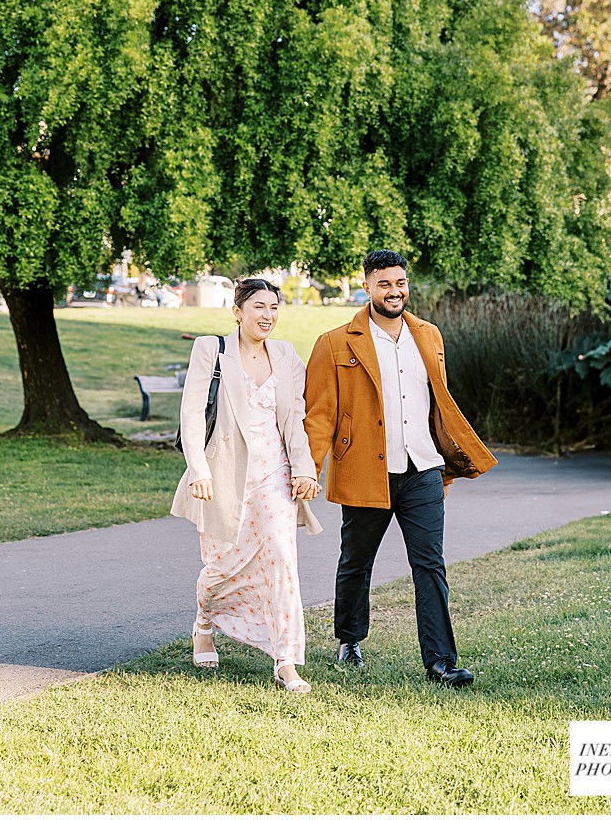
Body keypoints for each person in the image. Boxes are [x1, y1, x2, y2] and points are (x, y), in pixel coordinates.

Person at [304, 249, 497, 687]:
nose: (394, 292)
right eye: (384, 284)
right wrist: (307, 471)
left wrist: (445, 471)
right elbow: (318, 415)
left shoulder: (428, 335)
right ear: (367, 286)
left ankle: (441, 661)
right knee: (356, 562)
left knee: (430, 565)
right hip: (364, 471)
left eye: (400, 283)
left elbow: (437, 407)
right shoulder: (335, 342)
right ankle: (350, 639)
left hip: (423, 471)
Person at [171, 278, 321, 694]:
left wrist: (304, 469)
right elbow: (192, 413)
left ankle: (286, 660)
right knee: (222, 565)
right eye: (258, 306)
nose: (267, 315)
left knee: (282, 560)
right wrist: (198, 469)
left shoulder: (287, 354)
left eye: (274, 307)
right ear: (238, 310)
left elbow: (295, 418)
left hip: (275, 474)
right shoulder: (211, 349)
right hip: (223, 474)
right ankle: (204, 623)